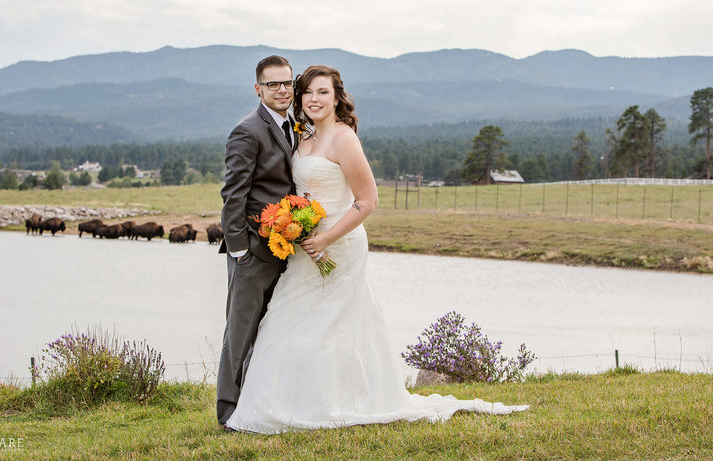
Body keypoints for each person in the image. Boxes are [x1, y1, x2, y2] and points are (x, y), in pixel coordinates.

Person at [224, 65, 528, 434]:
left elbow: (367, 201)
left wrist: (325, 238)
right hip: (304, 246)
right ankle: (281, 403)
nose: (313, 99)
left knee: (336, 324)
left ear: (337, 97)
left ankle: (341, 400)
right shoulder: (301, 137)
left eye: (322, 92)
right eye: (307, 93)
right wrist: (296, 229)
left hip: (339, 244)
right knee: (290, 324)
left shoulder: (343, 138)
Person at [217, 55, 297, 427]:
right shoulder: (248, 130)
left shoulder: (295, 125)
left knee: (273, 330)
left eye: (287, 83)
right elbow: (233, 195)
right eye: (273, 84)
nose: (282, 90)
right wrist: (239, 252)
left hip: (285, 249)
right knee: (241, 332)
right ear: (258, 89)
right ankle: (227, 413)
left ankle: (261, 404)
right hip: (251, 250)